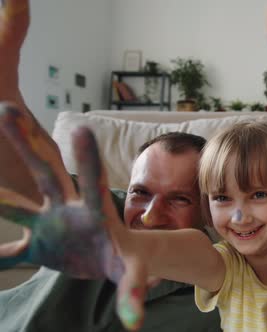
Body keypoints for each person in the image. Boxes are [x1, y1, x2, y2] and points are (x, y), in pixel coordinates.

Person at [0, 1, 221, 331]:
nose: (150, 215)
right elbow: (32, 173)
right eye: (140, 193)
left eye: (179, 199)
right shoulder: (101, 208)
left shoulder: (224, 278)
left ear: (207, 210)